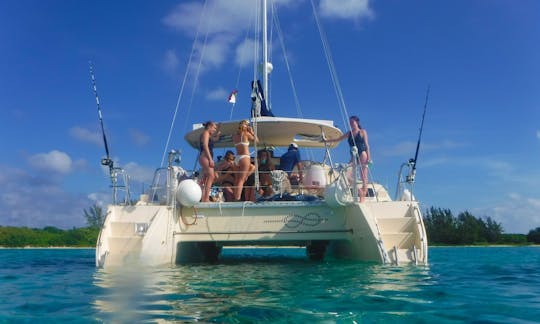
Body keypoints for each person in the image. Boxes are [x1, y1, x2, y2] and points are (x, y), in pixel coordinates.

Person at [325, 115, 371, 201]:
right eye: (350, 123)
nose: (351, 124)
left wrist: (369, 157)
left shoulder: (362, 131)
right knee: (347, 175)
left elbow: (367, 145)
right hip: (353, 155)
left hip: (362, 154)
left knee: (363, 175)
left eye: (352, 122)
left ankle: (363, 195)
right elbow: (338, 139)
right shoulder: (349, 133)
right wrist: (327, 140)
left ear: (357, 122)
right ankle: (359, 190)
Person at [232, 120, 257, 201]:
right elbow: (256, 140)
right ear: (246, 126)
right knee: (241, 180)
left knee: (238, 179)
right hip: (245, 157)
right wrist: (252, 132)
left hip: (237, 158)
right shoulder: (246, 134)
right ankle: (237, 198)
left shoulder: (235, 135)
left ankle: (235, 196)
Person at [198, 121, 221, 202]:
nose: (214, 130)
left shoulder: (208, 135)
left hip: (205, 157)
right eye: (214, 128)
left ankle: (203, 197)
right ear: (209, 127)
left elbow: (215, 139)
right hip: (205, 157)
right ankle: (206, 198)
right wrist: (210, 159)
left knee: (206, 178)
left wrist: (218, 133)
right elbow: (205, 145)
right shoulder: (205, 133)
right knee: (211, 176)